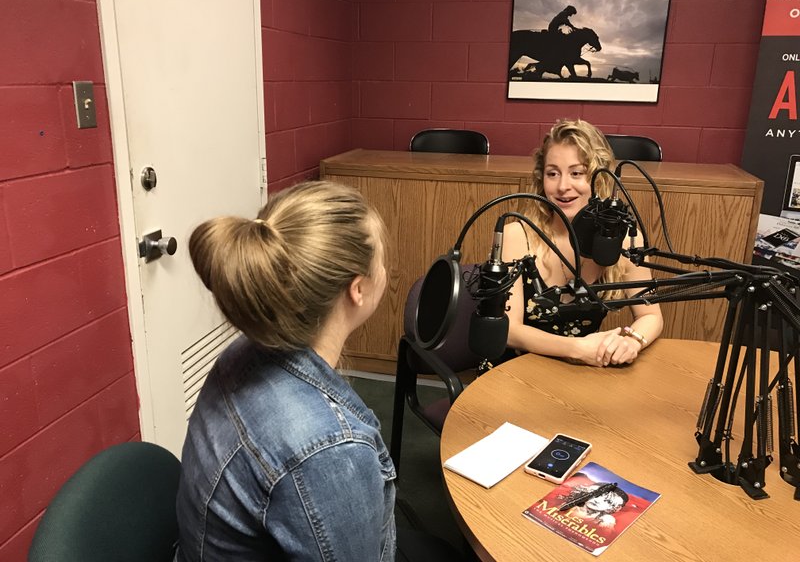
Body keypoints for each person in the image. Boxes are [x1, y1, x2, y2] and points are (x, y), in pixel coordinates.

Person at [175, 181, 458, 561]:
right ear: (357, 289)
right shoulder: (329, 448)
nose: (386, 268)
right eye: (380, 260)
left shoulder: (241, 352)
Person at [501, 119, 663, 367]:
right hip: (513, 372)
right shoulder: (516, 234)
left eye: (576, 173)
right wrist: (577, 349)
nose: (563, 186)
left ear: (600, 179)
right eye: (552, 173)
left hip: (581, 374)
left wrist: (632, 341)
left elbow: (651, 314)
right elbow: (509, 330)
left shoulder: (625, 238)